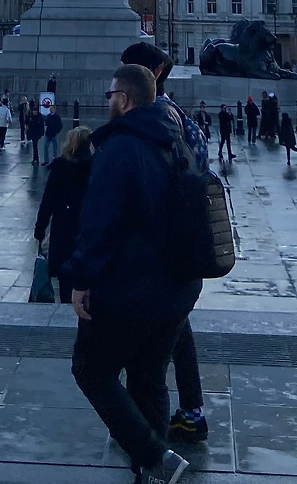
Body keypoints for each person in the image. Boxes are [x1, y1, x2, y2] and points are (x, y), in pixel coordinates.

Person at [66, 65, 194, 484]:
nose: (108, 102)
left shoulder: (119, 148)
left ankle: (155, 457)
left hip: (130, 289)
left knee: (91, 370)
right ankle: (151, 474)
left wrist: (81, 280)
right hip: (177, 289)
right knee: (149, 378)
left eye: (110, 95)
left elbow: (98, 223)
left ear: (124, 99)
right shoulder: (177, 139)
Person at [121, 40, 209, 449]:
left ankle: (146, 430)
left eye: (126, 71)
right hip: (180, 246)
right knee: (178, 332)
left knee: (146, 342)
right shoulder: (176, 114)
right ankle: (190, 413)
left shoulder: (154, 118)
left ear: (149, 75)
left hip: (160, 249)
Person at [34, 126, 93, 302]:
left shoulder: (60, 167)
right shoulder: (95, 166)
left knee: (65, 279)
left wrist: (40, 228)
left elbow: (47, 202)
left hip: (63, 231)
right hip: (86, 230)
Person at [42, 103, 64, 167]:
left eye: (52, 108)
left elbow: (60, 125)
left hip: (54, 134)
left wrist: (57, 131)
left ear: (54, 109)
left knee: (55, 148)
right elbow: (46, 124)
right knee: (46, 147)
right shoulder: (48, 116)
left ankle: (54, 160)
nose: (50, 110)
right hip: (48, 134)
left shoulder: (57, 117)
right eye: (50, 108)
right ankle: (46, 161)